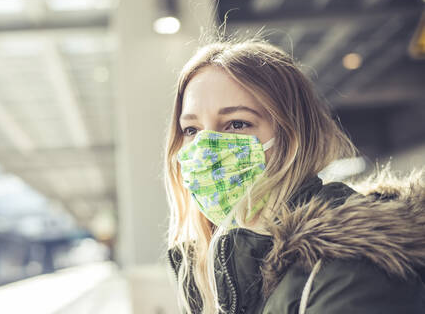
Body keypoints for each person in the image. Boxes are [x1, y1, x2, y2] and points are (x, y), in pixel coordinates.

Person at [164, 39, 425, 314]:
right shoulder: (215, 273)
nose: (206, 149)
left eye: (237, 124)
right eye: (191, 130)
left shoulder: (351, 267)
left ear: (292, 136)